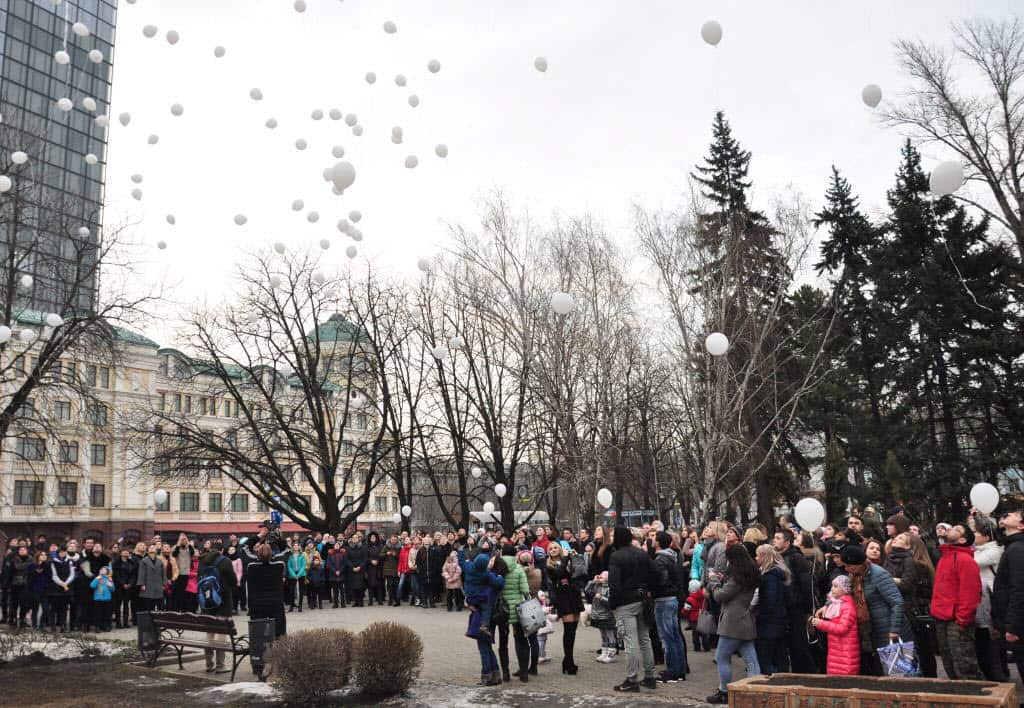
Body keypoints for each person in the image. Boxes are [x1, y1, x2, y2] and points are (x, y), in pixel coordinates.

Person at [705, 543, 761, 705]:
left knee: (722, 657)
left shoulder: (737, 577)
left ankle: (724, 691)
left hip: (732, 623)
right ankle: (754, 690)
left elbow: (721, 596)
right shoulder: (751, 573)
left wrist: (714, 581)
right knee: (751, 660)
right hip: (746, 620)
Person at [838, 544, 906, 676]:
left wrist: (894, 629)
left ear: (858, 564)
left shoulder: (878, 574)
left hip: (888, 630)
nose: (846, 569)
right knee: (881, 672)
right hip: (872, 631)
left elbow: (897, 602)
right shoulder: (856, 577)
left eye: (848, 566)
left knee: (898, 674)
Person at [930, 523, 984, 680]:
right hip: (941, 618)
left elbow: (971, 593)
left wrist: (962, 620)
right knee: (949, 664)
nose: (951, 529)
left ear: (962, 540)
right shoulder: (945, 557)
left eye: (957, 529)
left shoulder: (965, 560)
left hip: (956, 621)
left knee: (964, 665)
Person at [608, 526, 657, 693]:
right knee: (644, 639)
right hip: (642, 599)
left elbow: (614, 584)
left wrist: (613, 604)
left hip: (625, 602)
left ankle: (632, 678)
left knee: (631, 642)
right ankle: (650, 676)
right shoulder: (641, 553)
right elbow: (655, 572)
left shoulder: (616, 556)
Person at [884, 532, 937, 677]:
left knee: (914, 648)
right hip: (895, 608)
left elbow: (907, 584)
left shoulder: (910, 561)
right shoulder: (890, 559)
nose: (896, 538)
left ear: (908, 546)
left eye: (901, 538)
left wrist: (887, 579)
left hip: (909, 610)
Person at [773, 528, 815, 673]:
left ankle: (806, 674)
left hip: (796, 607)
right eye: (775, 538)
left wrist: (808, 609)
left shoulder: (796, 558)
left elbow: (806, 584)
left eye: (778, 538)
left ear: (787, 542)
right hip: (782, 608)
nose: (774, 541)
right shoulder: (776, 558)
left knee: (799, 646)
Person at [972, 518, 1007, 681]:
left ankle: (999, 676)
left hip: (990, 598)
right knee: (985, 638)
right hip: (981, 597)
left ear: (986, 536)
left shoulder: (995, 550)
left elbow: (973, 563)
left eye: (976, 532)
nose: (973, 535)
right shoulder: (978, 549)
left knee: (992, 638)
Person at [992, 506, 1024, 681]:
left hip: (1019, 625)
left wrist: (1012, 626)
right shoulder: (1012, 546)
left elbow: (1018, 589)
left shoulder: (1018, 549)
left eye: (1014, 514)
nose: (1008, 514)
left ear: (1021, 526)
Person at [652, 530, 688, 682]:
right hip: (672, 599)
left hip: (664, 600)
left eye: (654, 538)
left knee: (667, 637)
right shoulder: (672, 557)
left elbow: (661, 581)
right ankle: (679, 669)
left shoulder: (660, 560)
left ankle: (673, 671)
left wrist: (652, 589)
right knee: (675, 635)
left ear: (658, 542)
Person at [465, 553, 505, 686]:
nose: (490, 561)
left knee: (483, 646)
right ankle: (496, 675)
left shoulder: (487, 576)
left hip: (483, 617)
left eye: (492, 560)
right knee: (486, 646)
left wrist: (469, 601)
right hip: (485, 615)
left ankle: (486, 676)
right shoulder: (488, 575)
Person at [199, 541, 237, 673]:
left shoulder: (202, 560)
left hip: (206, 601)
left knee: (210, 632)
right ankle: (220, 666)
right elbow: (233, 581)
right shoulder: (225, 561)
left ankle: (209, 664)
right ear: (221, 550)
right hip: (223, 601)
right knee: (222, 632)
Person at [547, 541, 585, 676]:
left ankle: (567, 660)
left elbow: (581, 573)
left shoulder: (568, 561)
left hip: (574, 595)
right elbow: (558, 573)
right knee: (568, 630)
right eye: (550, 548)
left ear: (561, 549)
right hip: (563, 598)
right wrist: (565, 559)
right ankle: (568, 661)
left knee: (573, 631)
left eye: (555, 547)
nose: (553, 550)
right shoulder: (549, 566)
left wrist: (575, 558)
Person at [498, 543, 533, 683]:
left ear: (502, 553)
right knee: (522, 641)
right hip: (518, 610)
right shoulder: (519, 569)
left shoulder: (497, 567)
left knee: (503, 642)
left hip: (502, 610)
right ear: (515, 554)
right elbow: (525, 590)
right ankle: (524, 673)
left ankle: (505, 673)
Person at [811, 575, 860, 675]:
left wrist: (821, 624)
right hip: (836, 651)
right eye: (832, 586)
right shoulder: (835, 604)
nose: (832, 589)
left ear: (844, 589)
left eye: (836, 586)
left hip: (845, 653)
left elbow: (842, 628)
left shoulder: (847, 607)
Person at [754, 545, 790, 676]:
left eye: (758, 555)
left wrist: (759, 616)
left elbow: (769, 601)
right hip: (778, 620)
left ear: (764, 557)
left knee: (766, 656)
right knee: (779, 655)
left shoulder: (770, 577)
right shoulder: (778, 574)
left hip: (770, 622)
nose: (756, 558)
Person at [247, 543, 287, 637]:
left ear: (258, 554)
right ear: (271, 553)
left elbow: (250, 589)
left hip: (257, 604)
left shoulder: (252, 567)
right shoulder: (279, 566)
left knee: (258, 635)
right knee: (279, 632)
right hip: (275, 603)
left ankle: (260, 650)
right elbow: (286, 550)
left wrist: (250, 606)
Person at [585, 570, 618, 663]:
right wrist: (593, 581)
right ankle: (604, 652)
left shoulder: (610, 588)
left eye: (602, 576)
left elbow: (611, 602)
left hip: (607, 616)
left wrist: (602, 598)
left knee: (610, 634)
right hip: (597, 615)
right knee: (603, 634)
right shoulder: (596, 585)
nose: (599, 577)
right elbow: (587, 591)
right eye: (599, 576)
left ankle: (611, 654)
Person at [48, 546, 75, 632]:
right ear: (58, 553)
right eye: (60, 552)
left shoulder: (70, 561)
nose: (62, 554)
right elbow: (54, 575)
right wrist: (62, 584)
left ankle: (63, 625)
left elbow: (72, 574)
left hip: (66, 588)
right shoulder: (53, 562)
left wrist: (66, 583)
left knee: (64, 608)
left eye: (64, 552)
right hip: (55, 588)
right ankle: (53, 625)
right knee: (54, 608)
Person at [136, 544, 166, 612]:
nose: (152, 549)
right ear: (148, 550)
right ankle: (148, 621)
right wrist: (142, 584)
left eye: (153, 548)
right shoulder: (144, 561)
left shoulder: (160, 561)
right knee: (148, 606)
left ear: (156, 550)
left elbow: (163, 573)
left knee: (160, 605)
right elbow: (141, 573)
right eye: (150, 548)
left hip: (158, 585)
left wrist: (164, 583)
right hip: (148, 585)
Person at [111, 548, 135, 628]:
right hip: (119, 586)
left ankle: (125, 622)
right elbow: (116, 575)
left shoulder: (131, 563)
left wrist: (130, 583)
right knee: (118, 604)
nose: (126, 553)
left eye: (127, 552)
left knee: (126, 605)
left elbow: (133, 574)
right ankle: (118, 623)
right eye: (124, 552)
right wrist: (122, 583)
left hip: (128, 587)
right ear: (120, 553)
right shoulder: (116, 563)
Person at [170, 534, 195, 612]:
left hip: (186, 573)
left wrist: (188, 543)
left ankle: (183, 610)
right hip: (177, 573)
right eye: (182, 539)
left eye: (185, 539)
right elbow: (174, 554)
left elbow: (192, 553)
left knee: (183, 593)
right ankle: (176, 610)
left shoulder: (189, 548)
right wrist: (178, 544)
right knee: (177, 593)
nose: (183, 540)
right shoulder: (175, 547)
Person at [684, 579, 709, 652]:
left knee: (695, 634)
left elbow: (686, 610)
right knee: (704, 633)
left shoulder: (689, 599)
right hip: (702, 616)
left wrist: (683, 612)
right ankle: (706, 647)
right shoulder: (703, 596)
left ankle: (697, 648)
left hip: (694, 618)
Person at [90, 565, 114, 632]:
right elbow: (92, 586)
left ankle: (106, 626)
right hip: (98, 599)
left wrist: (110, 585)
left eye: (104, 569)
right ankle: (97, 626)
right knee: (98, 614)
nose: (103, 570)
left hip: (107, 599)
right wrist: (96, 579)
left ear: (107, 571)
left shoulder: (109, 579)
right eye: (102, 569)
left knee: (106, 614)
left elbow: (113, 589)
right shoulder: (97, 578)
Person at [365, 531, 385, 606]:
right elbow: (365, 557)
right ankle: (370, 601)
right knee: (370, 585)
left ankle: (379, 600)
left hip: (378, 567)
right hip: (370, 568)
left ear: (376, 538)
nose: (373, 538)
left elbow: (382, 555)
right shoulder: (366, 547)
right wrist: (371, 561)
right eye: (371, 537)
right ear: (369, 538)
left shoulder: (380, 546)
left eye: (374, 537)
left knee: (379, 585)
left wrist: (377, 560)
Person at [286, 542, 307, 612]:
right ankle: (291, 606)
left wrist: (298, 575)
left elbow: (303, 566)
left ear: (299, 547)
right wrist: (294, 575)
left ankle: (300, 606)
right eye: (294, 546)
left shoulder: (302, 555)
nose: (295, 547)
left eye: (297, 545)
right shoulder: (290, 556)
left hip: (301, 574)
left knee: (301, 590)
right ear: (292, 547)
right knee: (291, 591)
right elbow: (289, 566)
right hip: (292, 574)